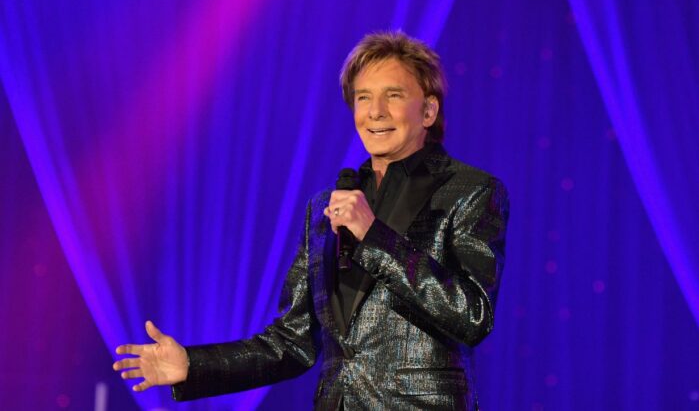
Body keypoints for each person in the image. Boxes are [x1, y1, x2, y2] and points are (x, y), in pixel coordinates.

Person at [113, 31, 509, 410]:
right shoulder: (328, 206)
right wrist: (192, 366)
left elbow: (472, 315)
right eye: (363, 97)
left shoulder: (468, 191)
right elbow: (292, 340)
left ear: (427, 109)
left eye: (393, 95)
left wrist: (374, 236)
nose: (375, 112)